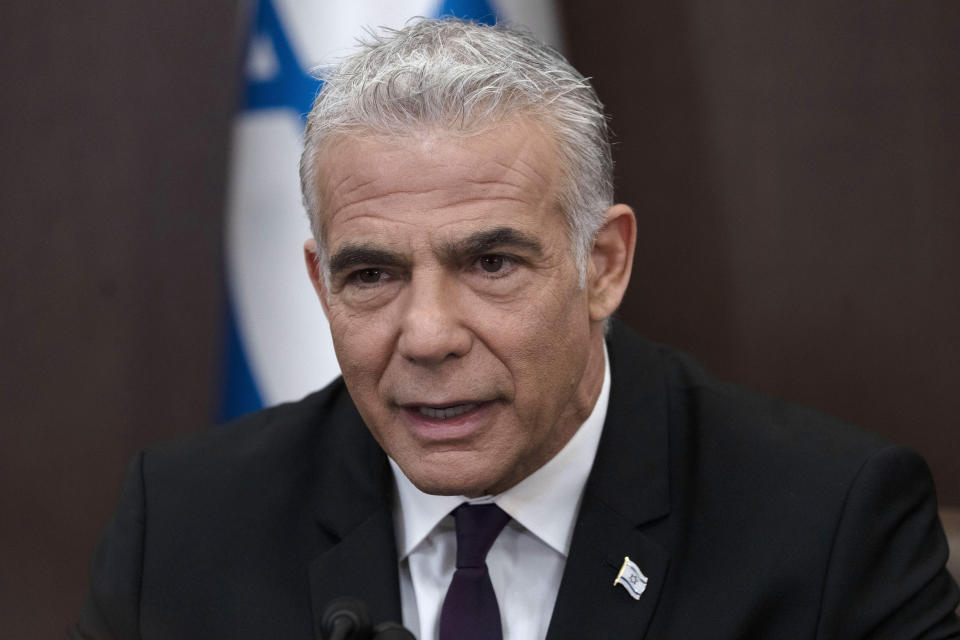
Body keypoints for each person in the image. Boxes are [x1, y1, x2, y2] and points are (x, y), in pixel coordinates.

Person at [73, 18, 959, 640]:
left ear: (603, 264)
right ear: (320, 282)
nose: (426, 335)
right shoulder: (186, 530)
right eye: (373, 275)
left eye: (491, 264)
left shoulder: (829, 527)